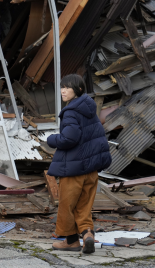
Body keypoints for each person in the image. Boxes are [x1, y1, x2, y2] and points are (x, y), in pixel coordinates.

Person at [47, 74, 112, 254]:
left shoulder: (71, 112)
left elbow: (70, 138)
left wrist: (51, 139)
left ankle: (71, 242)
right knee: (84, 206)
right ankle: (87, 234)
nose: (63, 90)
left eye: (67, 87)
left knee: (67, 206)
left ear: (79, 90)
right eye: (62, 87)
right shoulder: (90, 109)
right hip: (91, 169)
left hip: (74, 169)